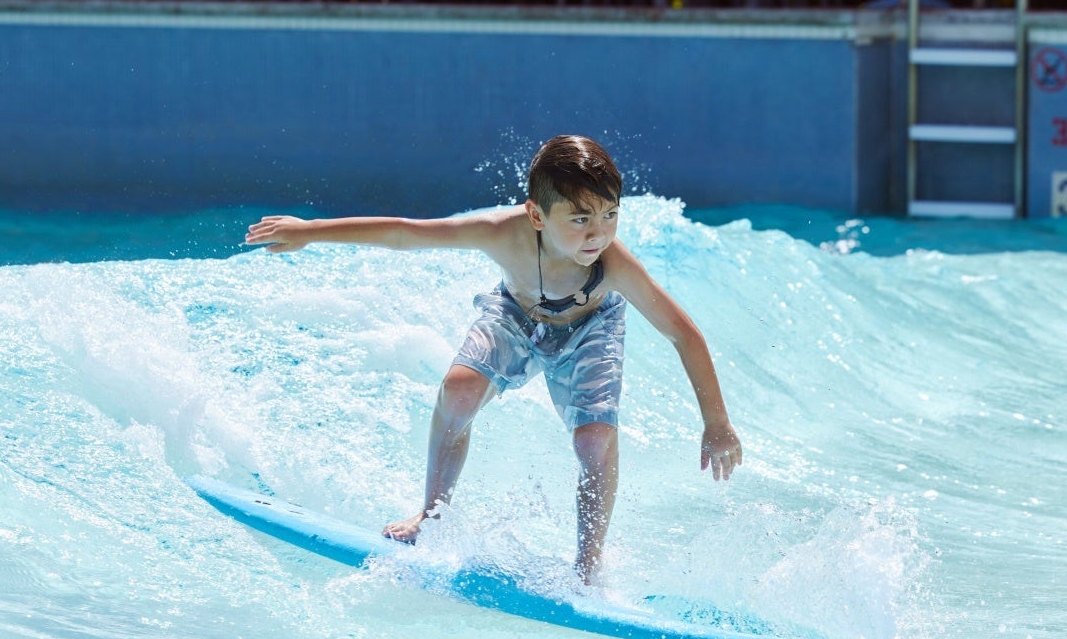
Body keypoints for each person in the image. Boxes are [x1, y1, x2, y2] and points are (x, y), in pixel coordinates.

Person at [243, 135, 742, 582]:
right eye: (580, 219)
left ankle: (589, 563)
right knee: (459, 389)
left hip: (591, 330)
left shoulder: (613, 265)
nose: (598, 234)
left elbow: (685, 334)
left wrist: (716, 422)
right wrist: (311, 230)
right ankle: (430, 514)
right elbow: (405, 232)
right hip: (515, 317)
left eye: (610, 215)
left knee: (595, 439)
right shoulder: (500, 232)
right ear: (536, 216)